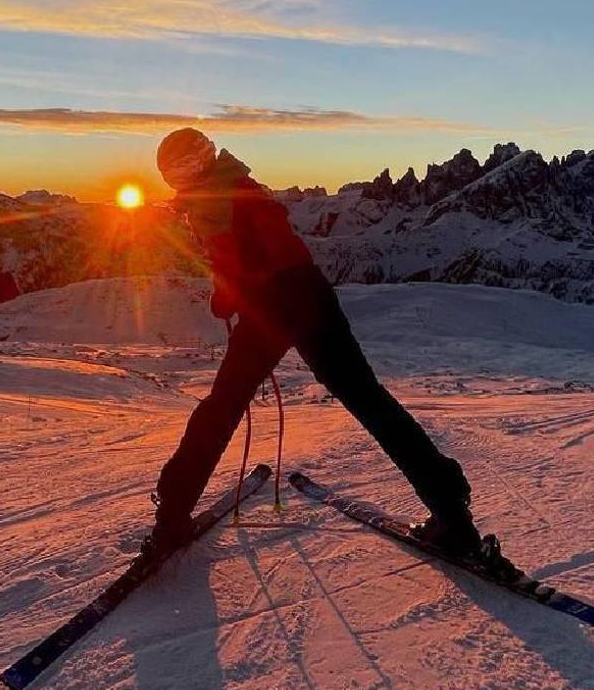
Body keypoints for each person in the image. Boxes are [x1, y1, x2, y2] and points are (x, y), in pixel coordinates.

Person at [146, 128, 484, 557]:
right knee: (368, 400)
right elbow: (272, 252)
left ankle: (172, 517)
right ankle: (451, 511)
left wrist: (227, 297)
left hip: (273, 309)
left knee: (222, 407)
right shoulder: (234, 187)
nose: (179, 178)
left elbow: (242, 260)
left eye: (181, 169)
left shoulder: (217, 200)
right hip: (310, 300)